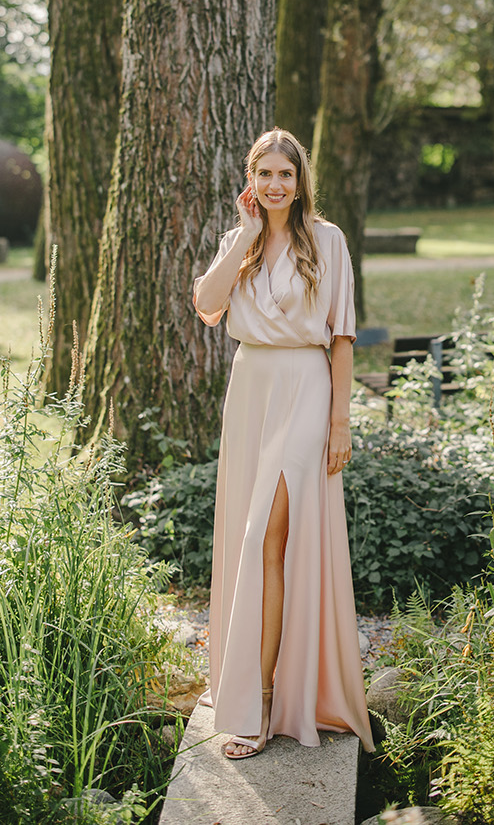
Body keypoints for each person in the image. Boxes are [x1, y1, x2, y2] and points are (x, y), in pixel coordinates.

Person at [193, 128, 374, 760]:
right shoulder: (236, 243)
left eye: (286, 175)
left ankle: (262, 704)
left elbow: (343, 338)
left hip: (305, 385)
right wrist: (244, 235)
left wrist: (341, 422)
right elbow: (206, 305)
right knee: (257, 544)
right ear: (251, 181)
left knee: (264, 537)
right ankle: (257, 689)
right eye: (264, 174)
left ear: (301, 182)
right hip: (250, 393)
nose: (275, 185)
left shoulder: (328, 242)